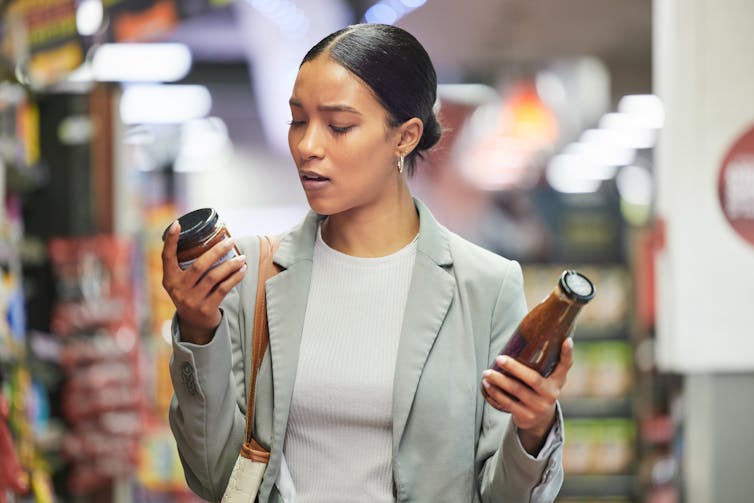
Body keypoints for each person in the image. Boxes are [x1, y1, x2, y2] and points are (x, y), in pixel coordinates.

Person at [162, 23, 571, 503]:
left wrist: (533, 428)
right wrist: (196, 332)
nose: (308, 145)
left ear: (405, 137)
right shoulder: (252, 273)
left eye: (338, 126)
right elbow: (214, 478)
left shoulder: (485, 286)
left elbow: (503, 497)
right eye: (298, 120)